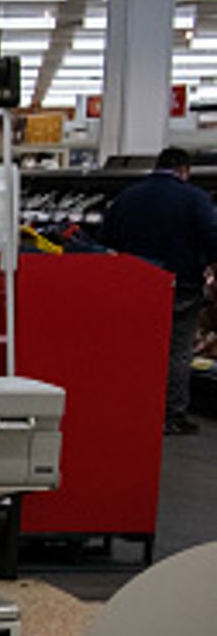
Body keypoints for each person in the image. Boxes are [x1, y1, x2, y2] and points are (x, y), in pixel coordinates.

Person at [101, 146, 217, 435]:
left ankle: (131, 408)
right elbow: (213, 239)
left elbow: (105, 239)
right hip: (181, 286)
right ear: (184, 171)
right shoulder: (196, 198)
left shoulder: (127, 197)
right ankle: (172, 416)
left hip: (134, 286)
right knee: (177, 351)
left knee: (136, 349)